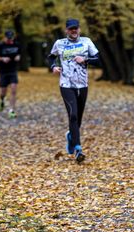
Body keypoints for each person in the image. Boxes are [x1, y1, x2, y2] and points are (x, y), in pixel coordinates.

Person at [48, 18, 99, 163]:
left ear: (79, 29)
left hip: (82, 84)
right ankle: (78, 149)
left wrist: (85, 60)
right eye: (71, 29)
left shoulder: (87, 41)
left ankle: (71, 136)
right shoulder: (59, 44)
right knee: (73, 115)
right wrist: (53, 67)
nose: (74, 31)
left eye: (76, 28)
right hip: (66, 84)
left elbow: (98, 59)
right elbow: (51, 57)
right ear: (66, 31)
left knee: (79, 118)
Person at [0, 30, 21, 119]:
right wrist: (2, 59)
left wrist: (18, 57)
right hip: (3, 71)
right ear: (5, 37)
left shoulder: (16, 45)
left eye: (11, 38)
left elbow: (19, 54)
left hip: (13, 70)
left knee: (13, 90)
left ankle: (11, 110)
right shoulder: (0, 46)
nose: (9, 40)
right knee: (3, 91)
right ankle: (2, 100)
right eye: (8, 38)